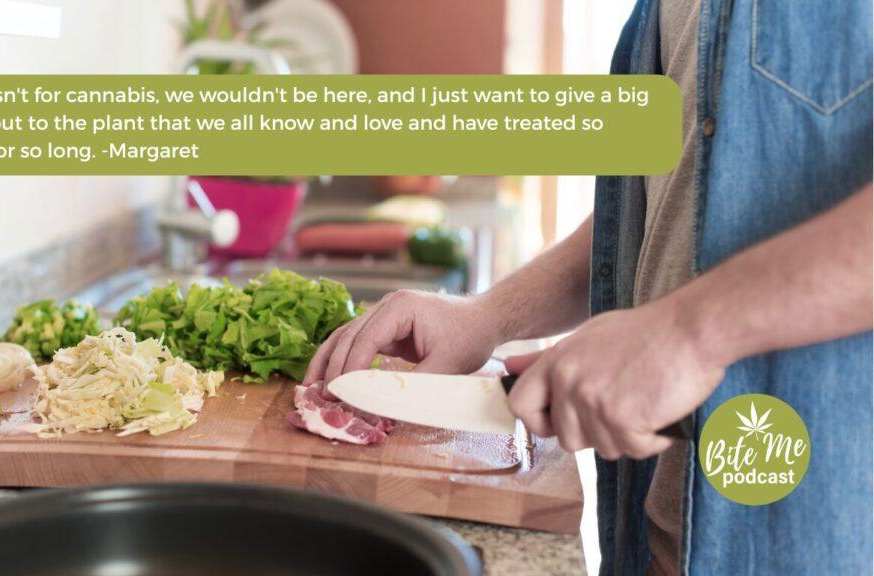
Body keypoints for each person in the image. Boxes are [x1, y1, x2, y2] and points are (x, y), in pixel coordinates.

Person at [304, 0, 873, 574]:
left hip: (815, 537)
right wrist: (488, 316)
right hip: (662, 535)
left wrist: (690, 330)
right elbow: (656, 205)